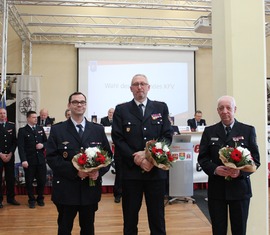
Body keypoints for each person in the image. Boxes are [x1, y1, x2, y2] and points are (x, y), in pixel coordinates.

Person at [112, 74, 172, 235]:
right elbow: (117, 138)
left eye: (143, 84)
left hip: (155, 172)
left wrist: (149, 157)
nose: (140, 87)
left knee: (157, 218)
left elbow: (166, 136)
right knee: (130, 219)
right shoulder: (121, 109)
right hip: (131, 173)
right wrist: (136, 158)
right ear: (131, 89)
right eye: (136, 84)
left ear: (148, 87)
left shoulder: (160, 107)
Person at [46, 92, 113, 235]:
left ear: (86, 105)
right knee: (64, 228)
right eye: (75, 102)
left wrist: (98, 172)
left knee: (88, 228)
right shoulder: (58, 130)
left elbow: (108, 156)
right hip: (66, 189)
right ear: (69, 105)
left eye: (82, 102)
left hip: (90, 190)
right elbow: (51, 158)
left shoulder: (97, 129)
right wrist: (75, 171)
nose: (79, 105)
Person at [197, 95, 260, 235]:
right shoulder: (209, 131)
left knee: (239, 230)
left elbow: (255, 159)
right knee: (218, 230)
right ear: (217, 111)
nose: (225, 111)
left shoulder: (248, 130)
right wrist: (215, 169)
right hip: (217, 190)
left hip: (240, 190)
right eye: (221, 108)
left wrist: (241, 172)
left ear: (235, 109)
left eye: (228, 108)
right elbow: (203, 158)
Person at [18, 110, 47, 208]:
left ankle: (40, 198)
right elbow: (21, 147)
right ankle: (31, 199)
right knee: (29, 181)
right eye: (34, 117)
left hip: (40, 160)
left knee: (42, 180)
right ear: (28, 118)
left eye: (36, 117)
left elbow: (46, 142)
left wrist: (42, 145)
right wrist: (23, 160)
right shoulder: (22, 130)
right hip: (29, 160)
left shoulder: (40, 128)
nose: (36, 119)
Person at [0, 108, 20, 208]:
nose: (2, 115)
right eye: (1, 113)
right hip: (0, 156)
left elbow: (14, 141)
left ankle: (11, 198)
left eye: (4, 113)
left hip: (9, 156)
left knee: (10, 178)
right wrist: (0, 154)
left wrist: (11, 153)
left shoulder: (11, 125)